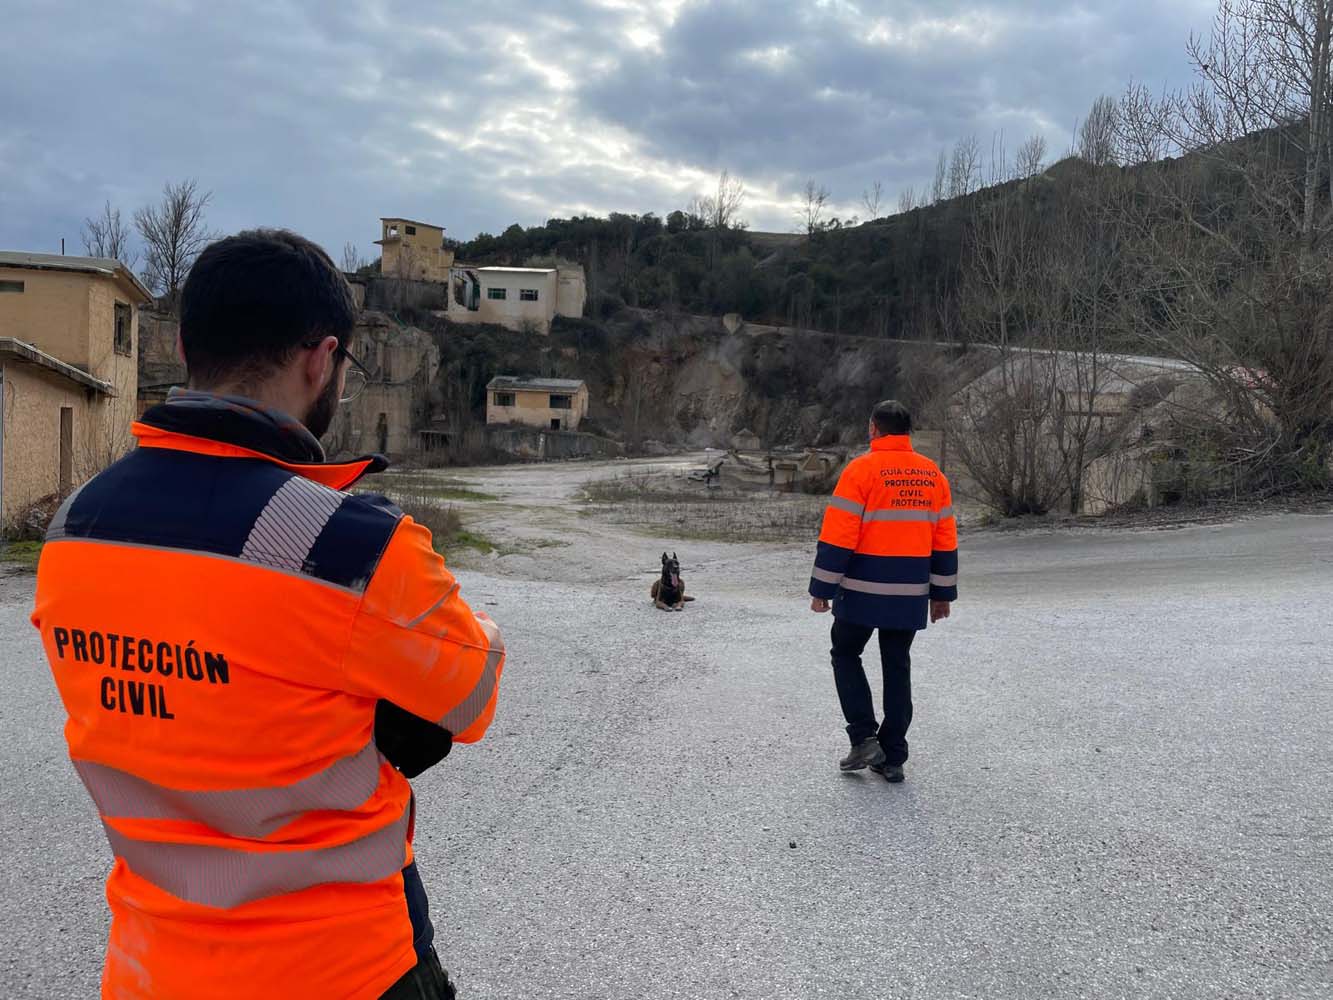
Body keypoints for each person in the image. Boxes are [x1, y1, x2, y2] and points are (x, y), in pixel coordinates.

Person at [31, 230, 503, 999]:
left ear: (185, 344)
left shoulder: (75, 525)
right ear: (321, 360)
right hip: (340, 969)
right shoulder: (350, 545)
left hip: (151, 965)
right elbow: (470, 696)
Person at [808, 400, 957, 782]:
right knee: (897, 664)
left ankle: (863, 738)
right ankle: (892, 756)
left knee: (845, 652)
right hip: (909, 593)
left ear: (874, 428)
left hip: (861, 589)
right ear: (908, 431)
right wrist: (941, 594)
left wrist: (822, 588)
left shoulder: (860, 471)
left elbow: (839, 536)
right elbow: (944, 541)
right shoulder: (933, 475)